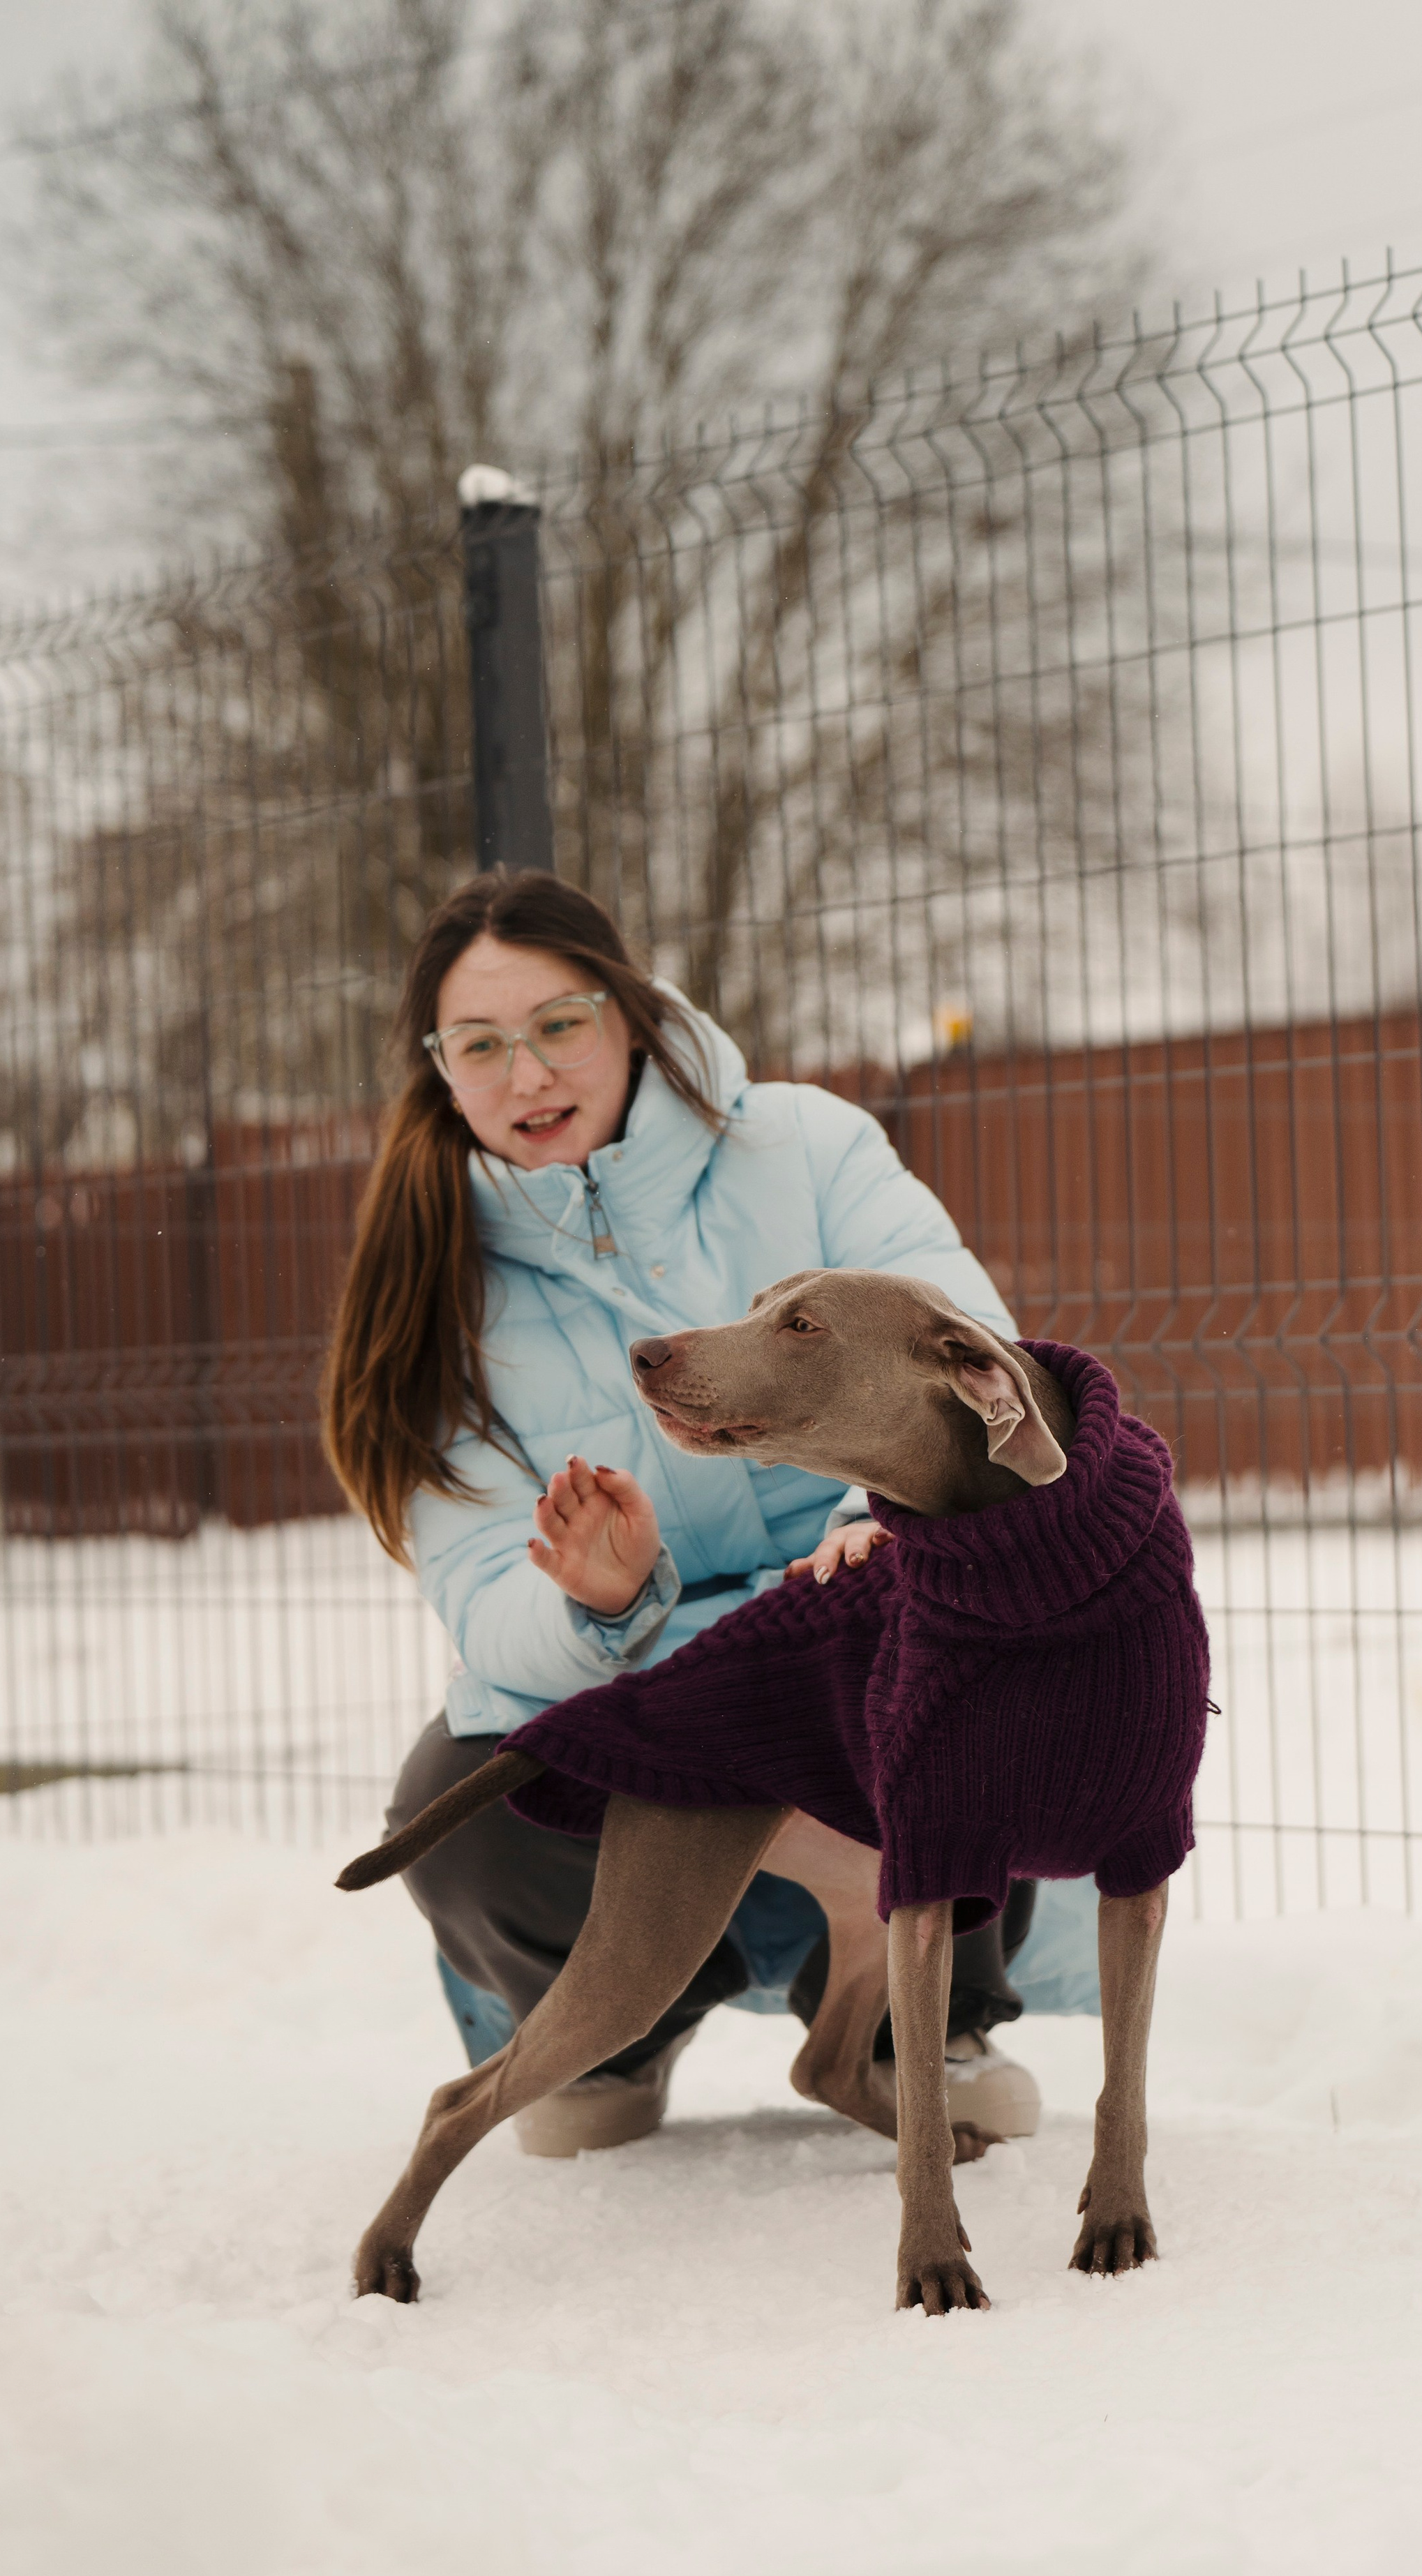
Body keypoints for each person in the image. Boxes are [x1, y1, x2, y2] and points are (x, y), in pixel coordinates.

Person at [322, 868, 1061, 2156]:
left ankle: (915, 2022)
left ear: (628, 1012)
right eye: (478, 1045)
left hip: (847, 1638)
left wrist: (869, 1521)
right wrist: (601, 1606)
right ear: (439, 1071)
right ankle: (603, 2036)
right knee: (461, 1797)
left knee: (968, 1664)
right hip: (648, 1709)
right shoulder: (427, 1282)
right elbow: (486, 1598)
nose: (526, 1072)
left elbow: (962, 1348)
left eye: (559, 1023)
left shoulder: (807, 1146)